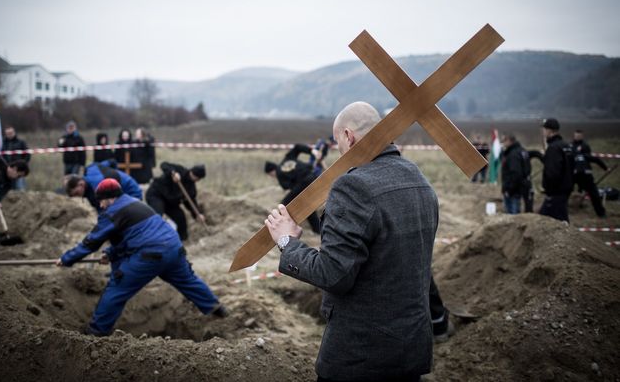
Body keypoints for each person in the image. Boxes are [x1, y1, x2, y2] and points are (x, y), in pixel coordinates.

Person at [265, 101, 437, 381]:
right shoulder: (418, 180)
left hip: (361, 355)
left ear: (348, 136)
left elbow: (333, 274)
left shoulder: (353, 186)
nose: (339, 152)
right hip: (411, 347)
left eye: (337, 143)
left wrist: (288, 242)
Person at [56, 178, 228, 336]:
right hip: (174, 248)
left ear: (110, 198)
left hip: (151, 254)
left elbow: (91, 242)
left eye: (101, 200)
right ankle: (215, 308)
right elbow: (131, 236)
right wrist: (110, 253)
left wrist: (67, 258)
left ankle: (96, 331)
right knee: (188, 280)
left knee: (117, 288)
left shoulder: (112, 212)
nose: (100, 205)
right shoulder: (136, 203)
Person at [264, 144, 320, 234]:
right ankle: (317, 229)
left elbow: (291, 188)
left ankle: (285, 229)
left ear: (271, 172)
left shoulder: (279, 175)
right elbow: (297, 147)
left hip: (304, 182)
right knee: (306, 204)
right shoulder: (287, 158)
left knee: (283, 205)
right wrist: (312, 151)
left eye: (271, 175)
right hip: (313, 175)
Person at [146, 162, 206, 242]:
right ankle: (150, 238)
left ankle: (181, 240)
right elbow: (164, 165)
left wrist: (197, 214)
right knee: (157, 215)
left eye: (198, 179)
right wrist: (173, 173)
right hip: (157, 195)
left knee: (180, 217)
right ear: (191, 172)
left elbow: (190, 202)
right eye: (195, 176)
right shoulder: (180, 170)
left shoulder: (191, 189)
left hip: (170, 203)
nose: (196, 179)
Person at [65, 160, 142, 212]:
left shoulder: (97, 189)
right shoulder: (90, 168)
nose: (77, 196)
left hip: (131, 191)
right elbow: (111, 161)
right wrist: (115, 173)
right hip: (128, 180)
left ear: (80, 184)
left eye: (76, 193)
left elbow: (105, 212)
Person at [539, 118, 574, 222]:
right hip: (566, 188)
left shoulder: (553, 148)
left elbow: (553, 172)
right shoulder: (566, 145)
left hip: (555, 192)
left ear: (550, 131)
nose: (543, 132)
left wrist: (548, 188)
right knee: (559, 217)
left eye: (544, 129)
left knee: (547, 221)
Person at [571, 129, 608, 217]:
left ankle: (601, 213)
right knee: (564, 191)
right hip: (573, 174)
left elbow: (596, 159)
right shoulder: (570, 146)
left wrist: (605, 168)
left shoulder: (585, 148)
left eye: (579, 135)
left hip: (585, 174)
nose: (577, 137)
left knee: (594, 193)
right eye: (576, 135)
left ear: (582, 136)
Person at [500, 134, 531, 214]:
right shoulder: (522, 151)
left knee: (513, 216)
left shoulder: (513, 154)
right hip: (521, 186)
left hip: (513, 190)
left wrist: (509, 190)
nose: (502, 143)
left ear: (509, 141)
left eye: (504, 141)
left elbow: (516, 174)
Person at [1, 126, 31, 191]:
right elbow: (1, 155)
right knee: (9, 189)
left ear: (14, 132)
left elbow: (27, 153)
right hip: (8, 169)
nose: (9, 135)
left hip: (19, 169)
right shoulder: (3, 144)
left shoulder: (21, 142)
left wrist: (24, 164)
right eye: (8, 133)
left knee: (20, 188)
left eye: (11, 133)